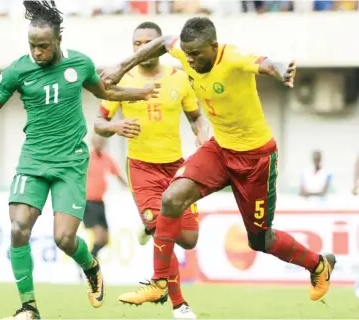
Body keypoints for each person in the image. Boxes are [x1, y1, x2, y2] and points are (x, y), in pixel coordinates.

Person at [101, 16, 336, 305]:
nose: (189, 59)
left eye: (196, 55)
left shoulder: (234, 58)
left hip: (255, 159)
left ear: (213, 47)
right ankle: (160, 282)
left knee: (260, 240)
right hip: (220, 149)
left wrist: (279, 69)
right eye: (186, 54)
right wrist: (120, 66)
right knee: (172, 198)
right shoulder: (185, 51)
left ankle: (317, 264)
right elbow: (163, 42)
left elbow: (264, 62)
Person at [0, 1, 158, 319]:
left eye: (43, 46)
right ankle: (28, 308)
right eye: (32, 46)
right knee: (17, 229)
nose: (37, 53)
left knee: (64, 238)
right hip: (33, 161)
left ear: (58, 42)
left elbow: (104, 92)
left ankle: (91, 266)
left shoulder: (80, 64)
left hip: (70, 162)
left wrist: (139, 93)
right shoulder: (17, 70)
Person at [95, 21, 208, 319]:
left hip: (176, 167)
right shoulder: (121, 80)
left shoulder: (180, 79)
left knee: (189, 238)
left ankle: (148, 226)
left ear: (160, 45)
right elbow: (99, 123)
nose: (142, 47)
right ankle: (179, 305)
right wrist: (115, 126)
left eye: (148, 42)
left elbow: (196, 117)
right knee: (164, 233)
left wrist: (202, 133)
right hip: (141, 168)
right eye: (137, 43)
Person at [84, 135, 128, 259]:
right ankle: (89, 263)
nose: (99, 145)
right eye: (97, 142)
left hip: (100, 203)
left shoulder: (106, 159)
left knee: (105, 240)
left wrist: (130, 187)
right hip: (88, 202)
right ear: (92, 143)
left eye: (101, 142)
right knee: (99, 235)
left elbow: (118, 175)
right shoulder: (86, 158)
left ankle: (88, 260)